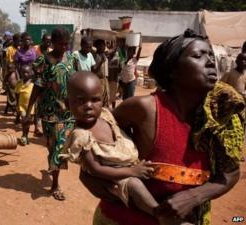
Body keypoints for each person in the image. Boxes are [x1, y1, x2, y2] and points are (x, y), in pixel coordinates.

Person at [79, 29, 242, 225]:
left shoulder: (221, 114)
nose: (209, 62)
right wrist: (91, 173)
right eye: (198, 55)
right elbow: (95, 137)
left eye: (210, 56)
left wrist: (194, 196)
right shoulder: (144, 109)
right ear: (173, 69)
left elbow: (230, 173)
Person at [61, 71, 189, 225]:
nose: (88, 106)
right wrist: (132, 172)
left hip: (130, 164)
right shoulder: (81, 135)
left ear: (103, 100)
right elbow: (95, 169)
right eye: (80, 101)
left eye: (95, 100)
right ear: (68, 104)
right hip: (116, 175)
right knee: (134, 185)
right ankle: (160, 214)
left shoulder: (106, 116)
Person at [25, 27, 77, 201]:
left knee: (60, 147)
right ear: (53, 43)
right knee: (52, 147)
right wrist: (28, 111)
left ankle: (55, 183)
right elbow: (38, 86)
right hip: (49, 112)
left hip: (68, 112)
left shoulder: (71, 58)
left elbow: (76, 82)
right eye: (61, 44)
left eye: (67, 43)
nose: (65, 47)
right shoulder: (44, 60)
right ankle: (53, 172)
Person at [15, 65, 40, 145]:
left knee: (28, 122)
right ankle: (24, 135)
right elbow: (17, 94)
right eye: (23, 73)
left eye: (27, 72)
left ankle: (25, 135)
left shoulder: (34, 85)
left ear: (31, 73)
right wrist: (17, 105)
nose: (25, 74)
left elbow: (36, 97)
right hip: (22, 106)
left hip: (31, 107)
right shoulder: (19, 83)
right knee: (24, 121)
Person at [92, 39, 110, 107]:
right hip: (98, 80)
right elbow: (93, 70)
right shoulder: (95, 56)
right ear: (97, 46)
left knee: (106, 99)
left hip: (104, 79)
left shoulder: (103, 55)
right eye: (102, 46)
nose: (104, 47)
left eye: (104, 45)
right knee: (99, 99)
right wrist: (101, 62)